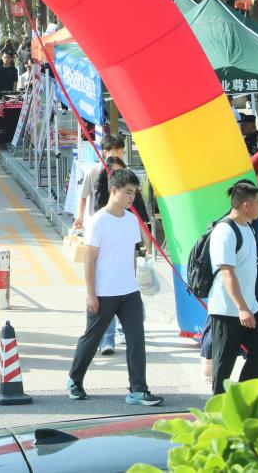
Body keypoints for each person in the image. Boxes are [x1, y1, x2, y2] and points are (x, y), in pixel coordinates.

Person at [66, 168, 163, 405]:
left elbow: (130, 255)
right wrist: (91, 294)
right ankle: (74, 380)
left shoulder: (131, 220)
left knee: (136, 340)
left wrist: (134, 280)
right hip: (103, 292)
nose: (132, 197)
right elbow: (89, 261)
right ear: (114, 190)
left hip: (129, 292)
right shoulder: (97, 221)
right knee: (92, 338)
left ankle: (138, 389)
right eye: (128, 192)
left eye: (135, 193)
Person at [206, 180, 258, 394]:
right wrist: (242, 308)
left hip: (250, 305)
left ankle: (241, 397)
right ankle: (218, 406)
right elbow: (227, 273)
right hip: (227, 309)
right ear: (246, 205)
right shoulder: (225, 231)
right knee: (224, 365)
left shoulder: (249, 226)